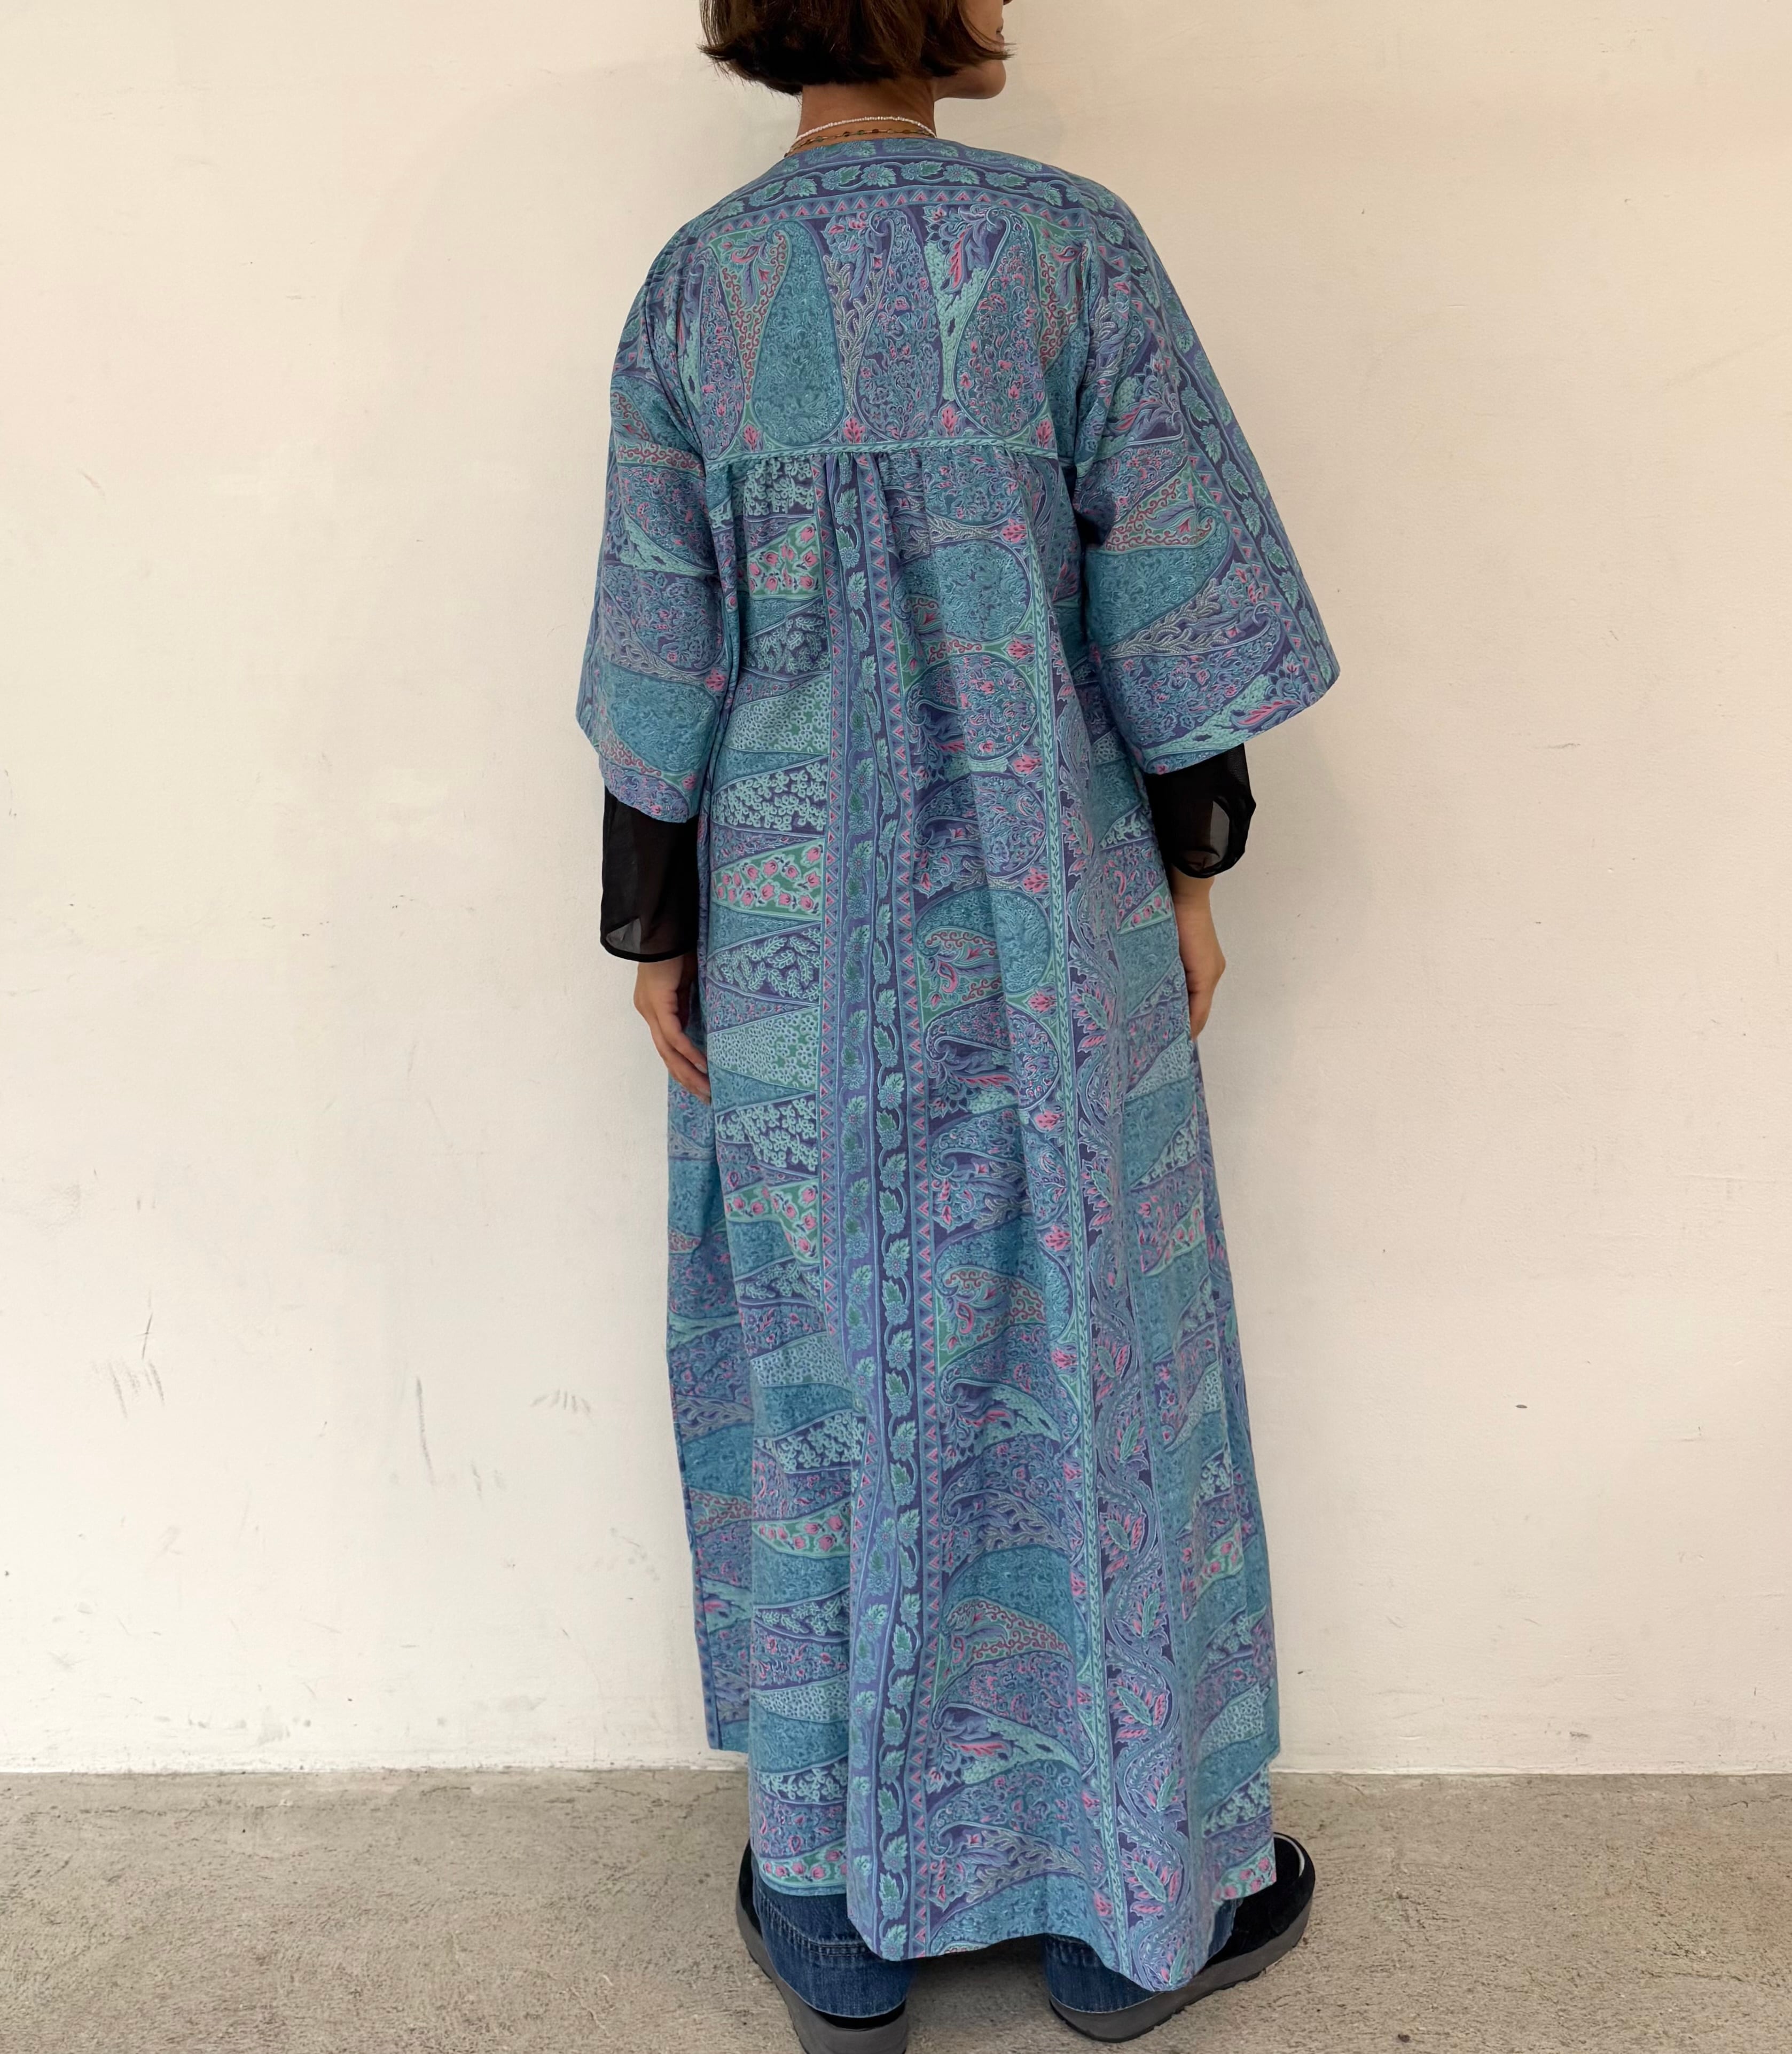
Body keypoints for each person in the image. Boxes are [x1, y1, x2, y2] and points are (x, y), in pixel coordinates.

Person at [577, 3, 1338, 2045]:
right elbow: (1173, 594)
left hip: (787, 922)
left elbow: (658, 634)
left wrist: (656, 926)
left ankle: (833, 1919)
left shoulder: (699, 286)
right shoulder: (1067, 247)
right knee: (1091, 1347)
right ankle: (1119, 1925)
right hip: (1055, 909)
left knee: (820, 1367)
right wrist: (1191, 869)